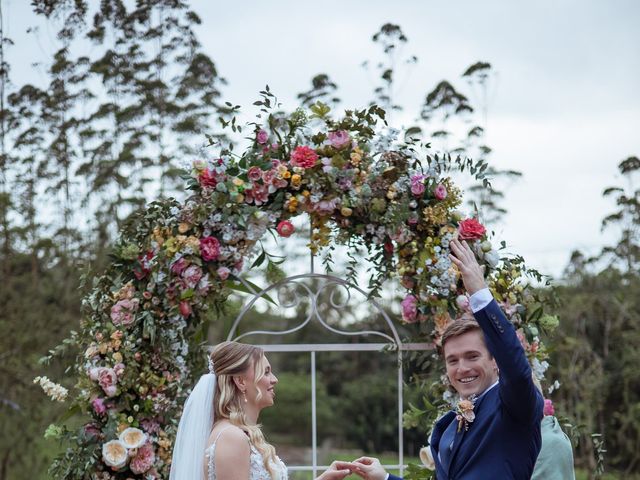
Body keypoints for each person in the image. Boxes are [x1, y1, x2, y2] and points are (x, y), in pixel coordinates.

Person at [350, 237, 544, 479]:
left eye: (472, 356)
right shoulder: (448, 426)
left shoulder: (515, 405)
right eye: (453, 360)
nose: (462, 368)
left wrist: (480, 294)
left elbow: (516, 367)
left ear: (495, 360)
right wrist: (385, 478)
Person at [169, 340, 354, 480]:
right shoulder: (231, 438)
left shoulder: (239, 433)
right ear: (241, 381)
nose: (274, 379)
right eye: (266, 372)